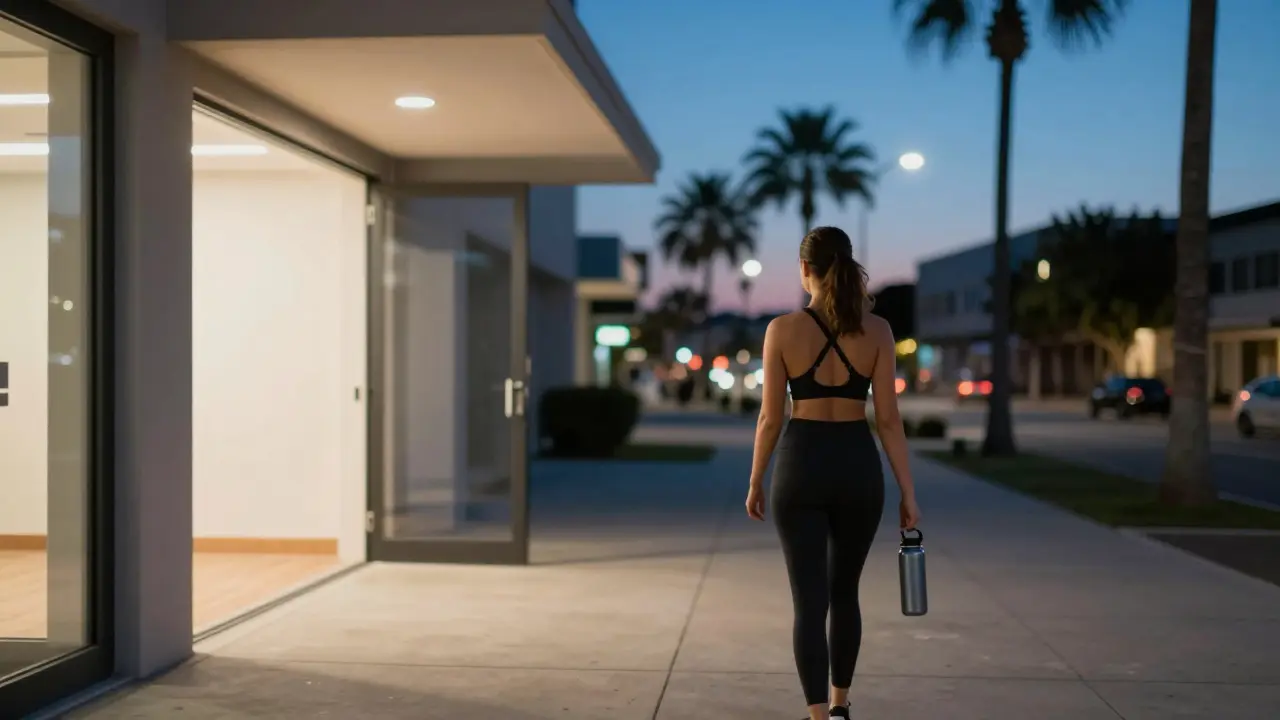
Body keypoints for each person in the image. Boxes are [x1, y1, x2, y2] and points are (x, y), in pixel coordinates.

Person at [745, 226, 921, 720]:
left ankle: (818, 716)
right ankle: (842, 707)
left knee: (809, 602)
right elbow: (888, 420)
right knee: (845, 594)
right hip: (856, 467)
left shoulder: (781, 330)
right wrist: (908, 492)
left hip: (800, 465)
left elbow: (770, 418)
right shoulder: (878, 331)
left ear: (805, 269)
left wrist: (756, 479)